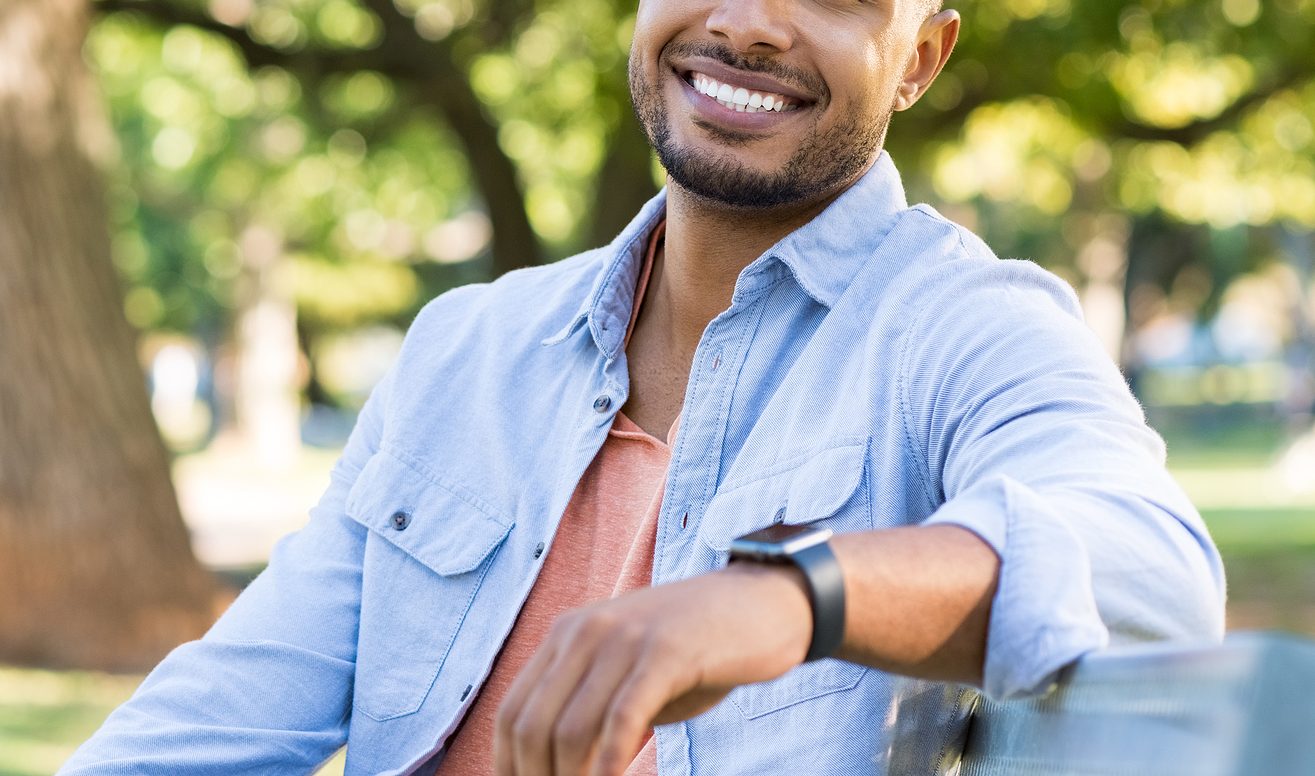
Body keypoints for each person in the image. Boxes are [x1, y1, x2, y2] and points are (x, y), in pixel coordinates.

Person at [64, 0, 1226, 774]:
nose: (748, 24)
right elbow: (212, 719)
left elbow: (1153, 575)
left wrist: (787, 597)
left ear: (918, 58)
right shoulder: (466, 347)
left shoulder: (960, 330)